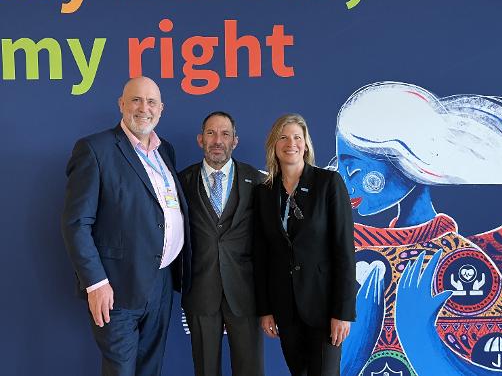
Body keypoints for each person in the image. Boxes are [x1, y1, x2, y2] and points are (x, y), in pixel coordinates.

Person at [334, 81, 502, 375]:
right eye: (339, 164)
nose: (342, 178)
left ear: (405, 159)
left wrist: (420, 338)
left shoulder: (461, 260)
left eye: (353, 166)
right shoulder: (349, 250)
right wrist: (354, 351)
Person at [61, 76, 191, 376]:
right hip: (116, 286)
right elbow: (76, 223)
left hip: (160, 282)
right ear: (121, 104)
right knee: (121, 370)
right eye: (136, 100)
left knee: (150, 369)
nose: (144, 108)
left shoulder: (165, 151)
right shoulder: (95, 149)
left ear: (161, 109)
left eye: (151, 102)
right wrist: (96, 283)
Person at [253, 113, 356, 376]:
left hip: (324, 309)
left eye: (297, 137)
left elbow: (344, 252)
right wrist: (265, 309)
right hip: (285, 309)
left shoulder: (328, 183)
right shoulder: (264, 193)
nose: (291, 144)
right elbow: (262, 255)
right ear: (274, 145)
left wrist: (343, 312)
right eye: (283, 137)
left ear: (306, 144)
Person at [178, 111, 264, 376]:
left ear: (234, 141)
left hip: (245, 293)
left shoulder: (257, 181)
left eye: (225, 134)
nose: (218, 140)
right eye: (211, 133)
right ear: (200, 139)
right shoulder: (181, 182)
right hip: (200, 291)